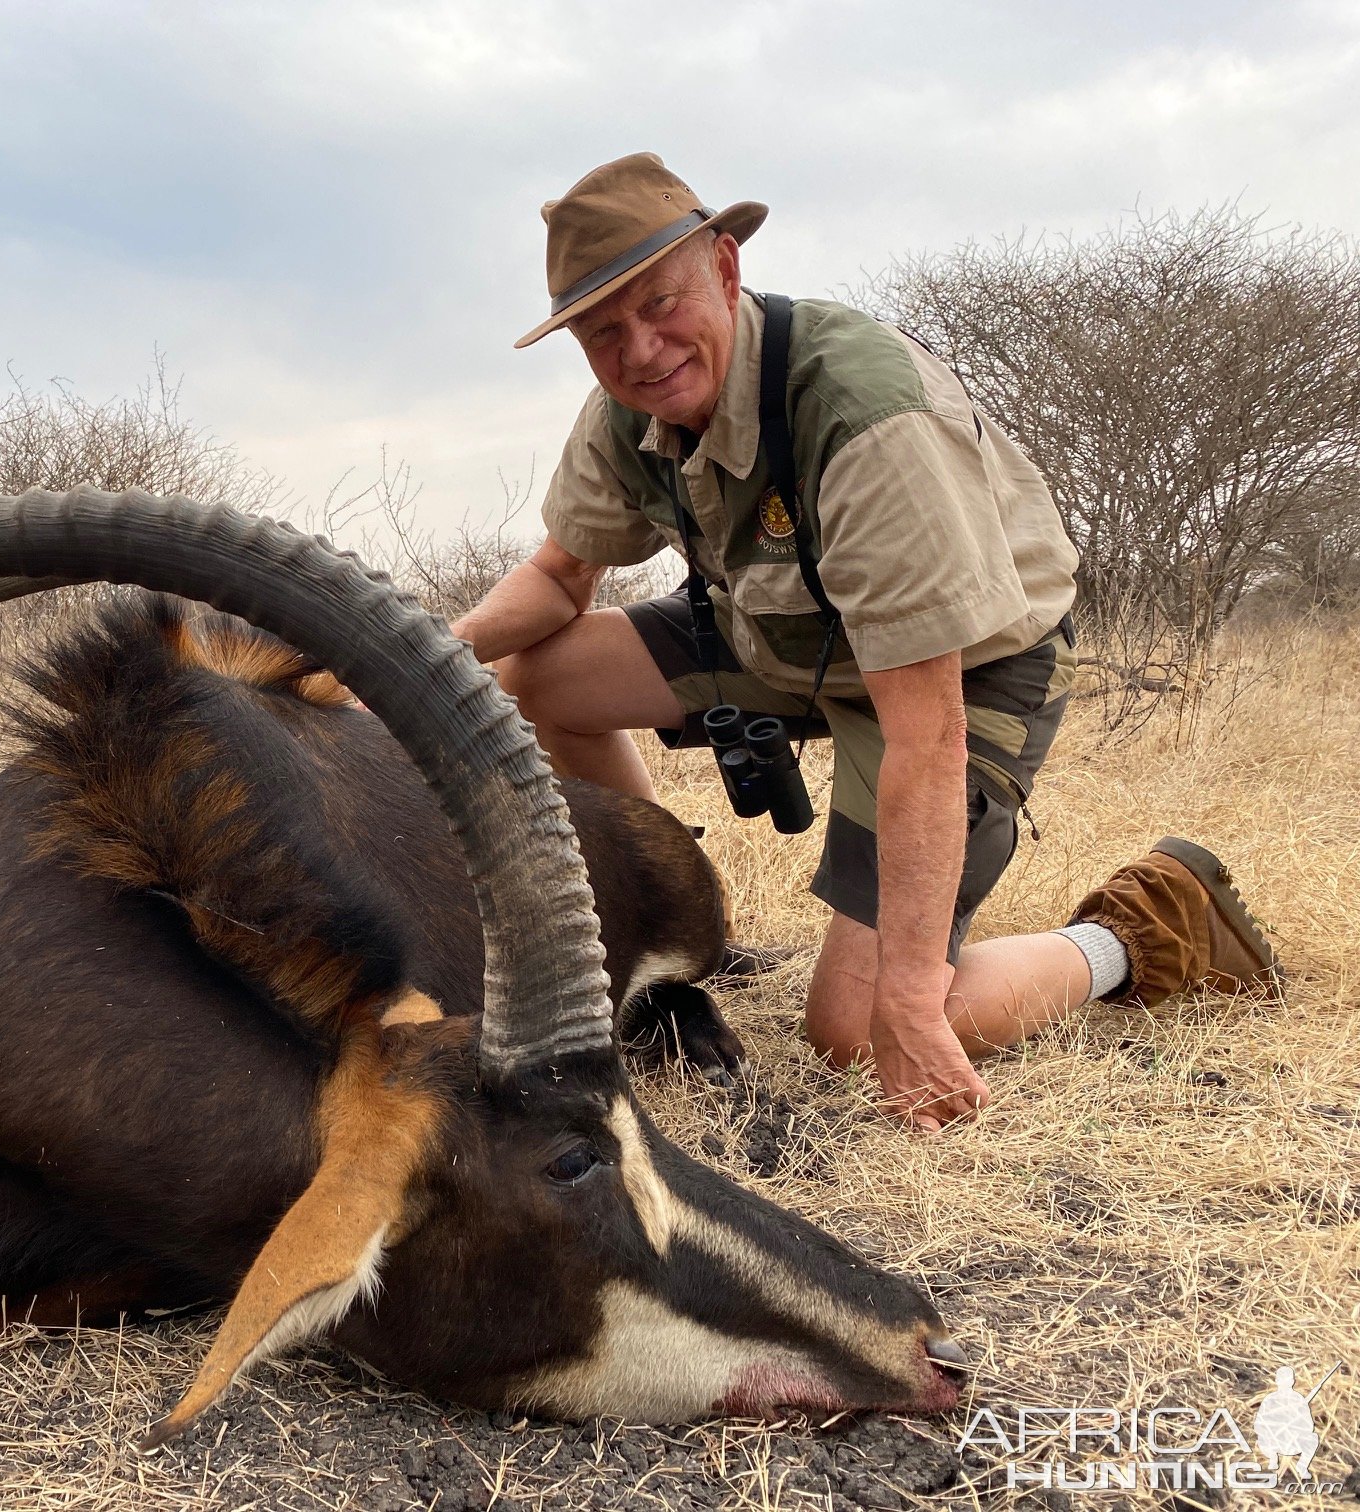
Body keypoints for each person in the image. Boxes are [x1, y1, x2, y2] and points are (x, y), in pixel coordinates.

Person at [453, 152, 1281, 1129]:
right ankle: (672, 927)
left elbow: (924, 734)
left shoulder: (859, 412)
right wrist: (419, 649)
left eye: (660, 304)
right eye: (603, 332)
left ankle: (1149, 927)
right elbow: (557, 578)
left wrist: (907, 1007)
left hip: (962, 670)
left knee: (853, 1026)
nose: (640, 350)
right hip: (782, 628)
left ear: (724, 269)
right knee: (525, 677)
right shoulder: (626, 410)